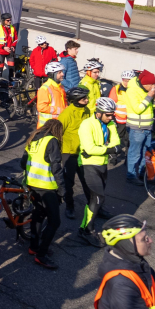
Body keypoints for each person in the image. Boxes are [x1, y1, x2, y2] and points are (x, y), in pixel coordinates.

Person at [22, 119, 65, 269]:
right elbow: (56, 168)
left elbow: (23, 162)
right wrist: (62, 190)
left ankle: (33, 247)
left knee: (38, 215)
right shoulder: (52, 141)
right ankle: (41, 254)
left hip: (32, 185)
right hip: (47, 187)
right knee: (55, 221)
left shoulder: (33, 138)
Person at [78, 98, 120, 247]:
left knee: (98, 199)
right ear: (99, 113)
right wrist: (109, 149)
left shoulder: (110, 124)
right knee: (97, 197)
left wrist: (103, 149)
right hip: (88, 165)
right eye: (108, 115)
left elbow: (116, 143)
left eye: (112, 115)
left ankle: (96, 213)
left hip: (101, 164)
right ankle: (85, 230)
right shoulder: (86, 125)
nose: (111, 118)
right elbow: (89, 149)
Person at [59, 86, 92, 220]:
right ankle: (69, 206)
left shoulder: (87, 111)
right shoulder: (66, 114)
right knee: (68, 182)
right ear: (76, 100)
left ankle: (94, 206)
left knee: (88, 181)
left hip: (83, 152)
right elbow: (57, 132)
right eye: (84, 98)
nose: (87, 99)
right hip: (69, 153)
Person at [125, 71, 155, 184]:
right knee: (135, 153)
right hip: (137, 128)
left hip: (147, 127)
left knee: (145, 152)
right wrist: (149, 97)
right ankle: (131, 175)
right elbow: (138, 109)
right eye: (151, 85)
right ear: (144, 83)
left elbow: (150, 107)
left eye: (154, 85)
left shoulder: (145, 90)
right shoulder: (132, 91)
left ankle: (143, 174)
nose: (153, 87)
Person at [36, 61, 67, 127]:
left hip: (58, 124)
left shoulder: (60, 87)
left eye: (62, 72)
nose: (62, 74)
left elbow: (64, 103)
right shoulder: (45, 88)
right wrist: (60, 110)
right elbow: (41, 107)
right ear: (53, 74)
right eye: (59, 72)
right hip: (47, 127)